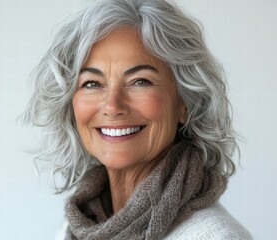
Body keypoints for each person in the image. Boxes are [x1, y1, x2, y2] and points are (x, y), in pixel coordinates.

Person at [24, 0, 252, 239]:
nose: (113, 106)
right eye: (92, 83)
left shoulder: (213, 236)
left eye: (140, 81)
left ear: (185, 102)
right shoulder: (74, 229)